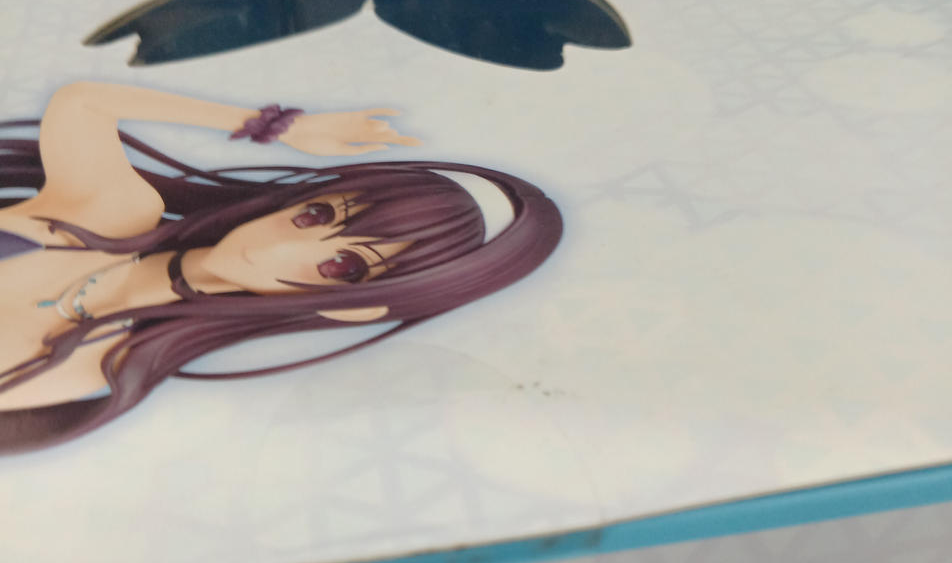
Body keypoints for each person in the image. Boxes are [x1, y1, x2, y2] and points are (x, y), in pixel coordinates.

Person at [0, 82, 562, 452]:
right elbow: (83, 102)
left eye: (341, 265)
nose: (280, 248)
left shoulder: (105, 363)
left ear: (355, 309)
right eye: (315, 215)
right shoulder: (111, 213)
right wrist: (283, 126)